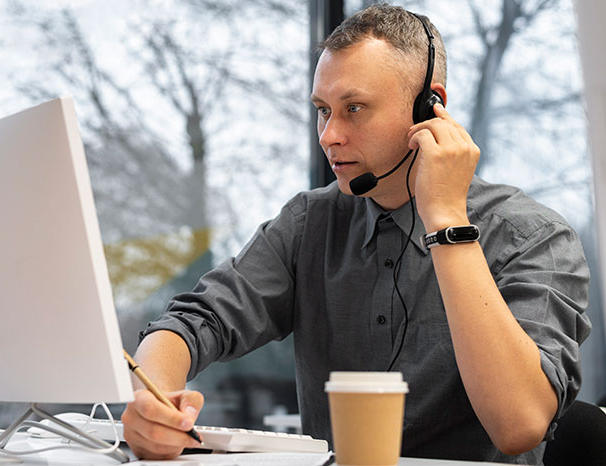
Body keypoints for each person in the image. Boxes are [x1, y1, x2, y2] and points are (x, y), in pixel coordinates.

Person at [121, 4, 591, 464]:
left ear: (430, 108)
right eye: (323, 110)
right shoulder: (311, 222)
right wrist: (153, 401)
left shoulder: (534, 236)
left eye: (355, 108)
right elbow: (195, 320)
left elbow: (520, 425)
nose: (328, 135)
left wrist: (446, 220)